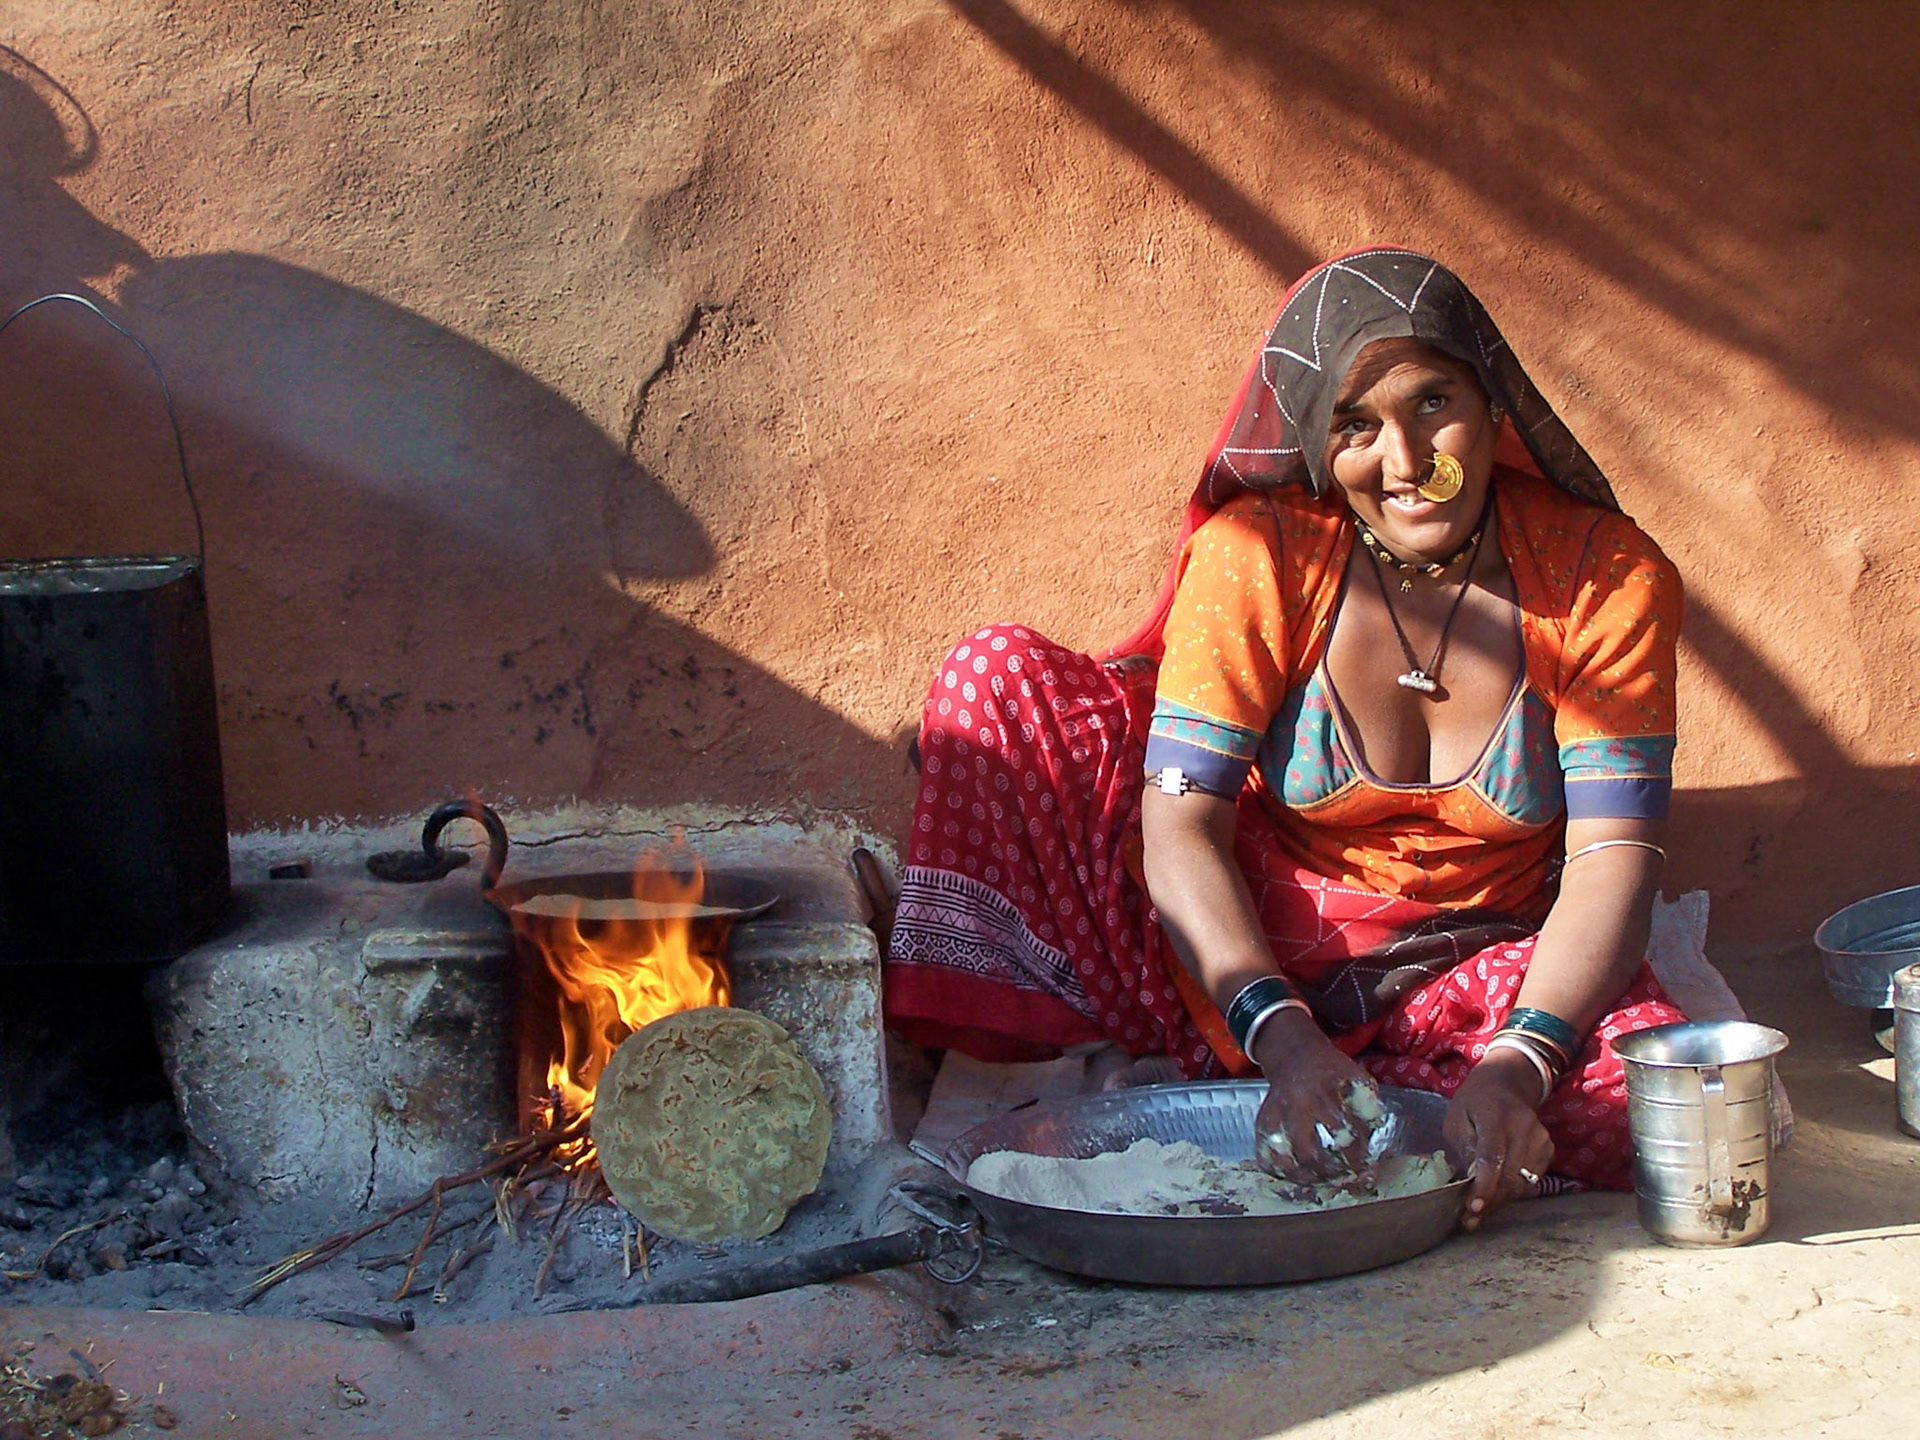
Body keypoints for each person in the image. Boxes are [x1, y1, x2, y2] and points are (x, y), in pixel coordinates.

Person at [882, 248, 1687, 1228]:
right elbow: (1179, 831)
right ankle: (1033, 1073)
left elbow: (1613, 861)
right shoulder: (1260, 555)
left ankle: (1392, 1103)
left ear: (1492, 400)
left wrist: (1522, 1064)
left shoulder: (1604, 577)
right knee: (994, 678)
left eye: (1434, 403)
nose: (1405, 463)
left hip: (1473, 979)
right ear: (1315, 436)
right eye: (1356, 424)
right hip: (1226, 963)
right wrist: (1284, 1039)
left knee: (1669, 1115)